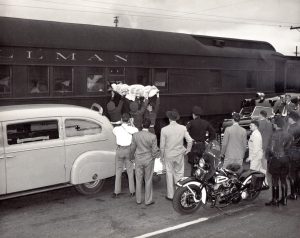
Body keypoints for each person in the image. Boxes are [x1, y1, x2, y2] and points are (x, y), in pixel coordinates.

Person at [160, 109, 193, 201]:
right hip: (179, 154)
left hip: (168, 155)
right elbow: (190, 140)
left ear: (169, 119)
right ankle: (180, 193)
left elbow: (162, 146)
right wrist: (187, 150)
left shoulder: (164, 130)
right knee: (179, 173)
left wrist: (162, 156)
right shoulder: (182, 128)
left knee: (169, 174)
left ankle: (170, 195)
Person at [130, 118, 160, 205]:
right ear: (150, 126)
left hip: (138, 159)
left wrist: (131, 157)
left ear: (142, 125)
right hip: (149, 160)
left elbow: (132, 148)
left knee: (138, 179)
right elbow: (154, 151)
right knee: (148, 179)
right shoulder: (153, 136)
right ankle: (148, 200)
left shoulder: (135, 135)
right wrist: (155, 156)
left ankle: (138, 200)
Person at [265, 116, 293, 206]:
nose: (273, 124)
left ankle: (275, 199)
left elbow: (271, 149)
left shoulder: (274, 134)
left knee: (275, 179)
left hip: (276, 159)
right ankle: (284, 200)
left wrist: (269, 157)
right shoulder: (288, 134)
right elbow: (289, 147)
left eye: (274, 123)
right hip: (286, 159)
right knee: (283, 179)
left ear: (276, 125)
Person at [112, 113, 138, 198]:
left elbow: (114, 128)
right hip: (128, 150)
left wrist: (120, 122)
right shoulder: (132, 129)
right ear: (129, 120)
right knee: (130, 171)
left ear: (122, 119)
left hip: (119, 150)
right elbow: (136, 130)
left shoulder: (116, 129)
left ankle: (116, 192)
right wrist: (131, 123)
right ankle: (132, 191)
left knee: (118, 171)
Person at [186, 105, 216, 175]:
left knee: (193, 166)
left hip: (193, 147)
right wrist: (208, 140)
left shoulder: (190, 123)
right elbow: (213, 133)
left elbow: (185, 133)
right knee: (202, 164)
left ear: (193, 115)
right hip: (203, 147)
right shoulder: (205, 123)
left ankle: (193, 181)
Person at [258, 110, 273, 189]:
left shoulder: (260, 123)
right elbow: (270, 136)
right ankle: (265, 182)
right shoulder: (270, 124)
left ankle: (262, 182)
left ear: (261, 115)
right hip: (267, 147)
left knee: (260, 166)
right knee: (265, 166)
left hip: (261, 147)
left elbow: (257, 134)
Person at [287, 111, 300, 200]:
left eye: (288, 117)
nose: (287, 119)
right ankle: (298, 191)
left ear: (291, 119)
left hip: (293, 152)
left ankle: (293, 194)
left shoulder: (290, 128)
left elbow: (288, 142)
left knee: (292, 174)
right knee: (298, 173)